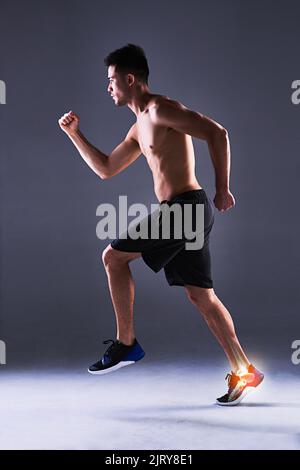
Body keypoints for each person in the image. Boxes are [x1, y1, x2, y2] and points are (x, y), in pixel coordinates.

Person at [58, 44, 264, 406]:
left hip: (187, 208)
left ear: (130, 79)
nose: (108, 87)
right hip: (186, 211)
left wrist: (223, 188)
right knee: (201, 295)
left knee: (113, 257)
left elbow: (218, 132)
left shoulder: (161, 108)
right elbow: (106, 169)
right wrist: (75, 134)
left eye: (111, 80)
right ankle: (244, 368)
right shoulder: (139, 128)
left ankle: (126, 344)